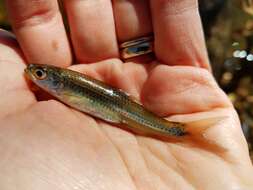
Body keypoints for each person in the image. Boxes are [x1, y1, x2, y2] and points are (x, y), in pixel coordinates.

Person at [0, 0, 252, 189]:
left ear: (57, 81)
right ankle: (182, 132)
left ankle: (181, 131)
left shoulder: (65, 83)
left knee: (170, 128)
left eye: (41, 74)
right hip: (121, 111)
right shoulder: (63, 85)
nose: (35, 75)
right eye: (39, 74)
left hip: (122, 110)